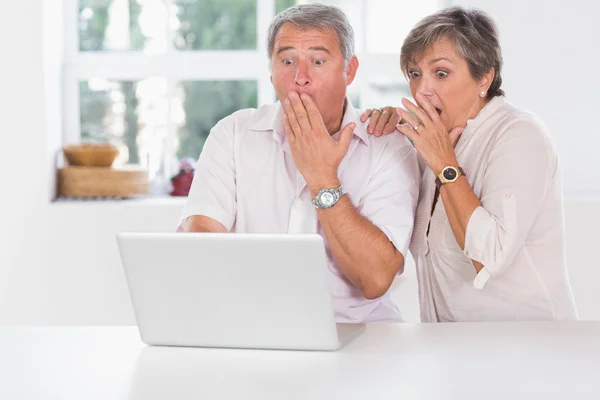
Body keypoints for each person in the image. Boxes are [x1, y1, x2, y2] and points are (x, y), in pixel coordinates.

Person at [178, 4, 420, 323]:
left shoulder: (387, 144)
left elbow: (375, 279)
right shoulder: (233, 134)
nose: (300, 78)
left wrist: (322, 178)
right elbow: (202, 239)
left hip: (358, 336)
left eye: (318, 61)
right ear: (271, 70)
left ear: (349, 70)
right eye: (287, 60)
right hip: (253, 329)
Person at [361, 6, 578, 322]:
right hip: (452, 352)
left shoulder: (520, 135)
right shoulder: (431, 144)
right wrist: (382, 141)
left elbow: (489, 257)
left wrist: (444, 165)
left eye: (442, 73)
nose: (422, 90)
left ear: (484, 78)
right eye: (414, 73)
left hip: (530, 349)